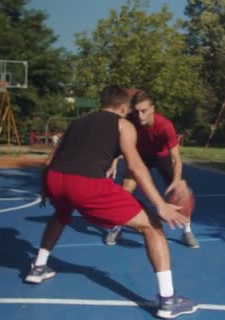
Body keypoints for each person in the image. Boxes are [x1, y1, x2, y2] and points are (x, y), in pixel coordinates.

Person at [26, 85, 197, 319]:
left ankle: (38, 267)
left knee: (60, 215)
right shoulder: (123, 124)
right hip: (86, 184)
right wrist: (159, 204)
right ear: (124, 107)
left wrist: (46, 187)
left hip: (57, 178)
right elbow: (136, 166)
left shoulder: (78, 122)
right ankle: (168, 300)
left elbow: (52, 158)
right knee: (152, 225)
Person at [104, 90, 200, 248]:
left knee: (183, 192)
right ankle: (117, 228)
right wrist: (113, 163)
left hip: (162, 158)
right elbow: (119, 143)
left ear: (152, 109)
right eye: (137, 111)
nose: (140, 115)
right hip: (141, 157)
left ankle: (187, 232)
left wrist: (176, 181)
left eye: (144, 111)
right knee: (124, 190)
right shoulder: (130, 120)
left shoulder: (165, 126)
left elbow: (176, 159)